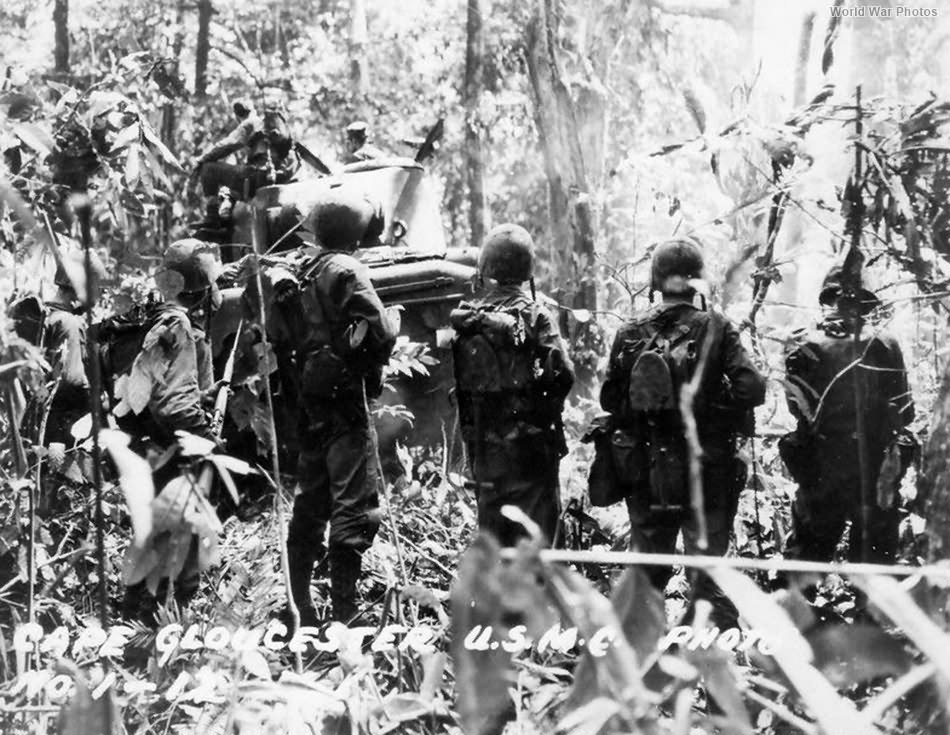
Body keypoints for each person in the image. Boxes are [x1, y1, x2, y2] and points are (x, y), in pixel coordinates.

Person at [599, 238, 766, 630]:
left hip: (646, 472)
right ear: (698, 281)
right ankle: (718, 678)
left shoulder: (630, 330)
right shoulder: (716, 327)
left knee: (646, 575)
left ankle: (639, 674)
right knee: (708, 578)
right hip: (705, 470)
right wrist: (711, 408)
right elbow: (752, 387)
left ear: (655, 280)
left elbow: (610, 398)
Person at [281, 187, 397, 627]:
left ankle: (301, 610)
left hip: (309, 396)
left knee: (310, 498)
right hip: (346, 398)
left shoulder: (302, 270)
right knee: (354, 502)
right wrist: (375, 345)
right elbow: (380, 331)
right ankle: (346, 619)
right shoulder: (346, 269)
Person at [115, 238, 222, 622]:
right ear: (199, 288)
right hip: (173, 448)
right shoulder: (179, 325)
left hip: (147, 445)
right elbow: (174, 403)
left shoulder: (155, 317)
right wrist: (210, 441)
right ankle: (166, 626)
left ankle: (133, 616)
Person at [780, 264, 915, 568]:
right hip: (870, 464)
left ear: (827, 298)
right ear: (865, 301)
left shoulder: (800, 342)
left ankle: (794, 610)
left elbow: (795, 407)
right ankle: (868, 611)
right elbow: (905, 413)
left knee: (807, 552)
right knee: (874, 557)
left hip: (819, 463)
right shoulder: (884, 342)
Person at [450, 224, 574, 547]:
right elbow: (563, 375)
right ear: (527, 269)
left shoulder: (468, 319)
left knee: (494, 539)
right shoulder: (536, 316)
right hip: (532, 449)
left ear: (486, 269)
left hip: (486, 449)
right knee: (540, 541)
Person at [193, 101, 300, 199]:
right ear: (253, 110)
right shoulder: (271, 128)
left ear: (237, 116)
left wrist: (202, 159)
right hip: (275, 175)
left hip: (257, 176)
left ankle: (212, 214)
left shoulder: (250, 122)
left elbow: (228, 144)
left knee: (208, 168)